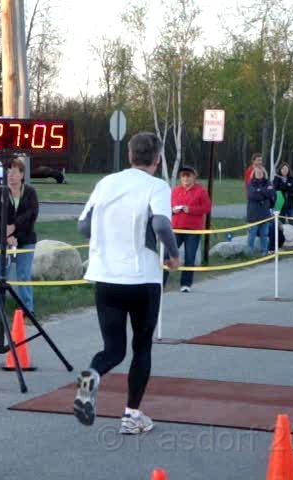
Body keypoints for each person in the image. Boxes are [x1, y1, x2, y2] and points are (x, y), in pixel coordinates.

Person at [73, 132, 180, 434]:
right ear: (157, 159)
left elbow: (83, 225)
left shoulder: (106, 182)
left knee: (113, 349)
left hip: (106, 277)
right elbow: (160, 223)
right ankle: (131, 416)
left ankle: (90, 379)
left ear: (130, 156)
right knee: (141, 346)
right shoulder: (157, 186)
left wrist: (109, 241)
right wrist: (172, 254)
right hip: (143, 277)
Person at [0, 157, 39, 315]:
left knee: (23, 274)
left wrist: (15, 229)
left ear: (22, 174)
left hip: (25, 238)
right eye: (8, 172)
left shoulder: (30, 192)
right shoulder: (0, 192)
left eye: (14, 172)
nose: (10, 175)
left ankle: (27, 308)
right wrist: (7, 235)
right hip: (1, 238)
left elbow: (31, 214)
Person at [163, 165, 211, 293]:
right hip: (176, 229)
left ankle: (186, 284)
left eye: (188, 176)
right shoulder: (175, 191)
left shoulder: (200, 191)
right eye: (183, 176)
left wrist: (190, 210)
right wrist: (173, 210)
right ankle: (161, 282)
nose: (185, 178)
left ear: (194, 177)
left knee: (190, 256)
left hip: (193, 230)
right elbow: (168, 206)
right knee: (167, 255)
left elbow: (206, 208)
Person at [246, 167, 275, 256]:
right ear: (254, 174)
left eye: (261, 172)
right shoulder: (250, 183)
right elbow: (252, 196)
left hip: (265, 214)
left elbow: (271, 194)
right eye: (257, 172)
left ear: (264, 173)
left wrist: (259, 191)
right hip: (253, 214)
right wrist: (265, 192)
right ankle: (249, 253)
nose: (259, 174)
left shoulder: (268, 183)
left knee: (264, 235)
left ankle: (264, 252)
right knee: (252, 235)